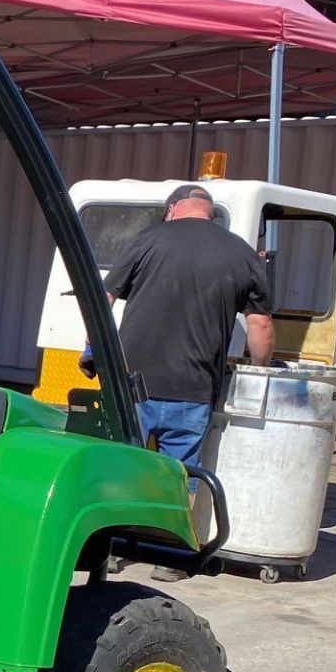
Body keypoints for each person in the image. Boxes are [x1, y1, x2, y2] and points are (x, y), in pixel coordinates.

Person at [104, 184, 274, 574]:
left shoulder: (148, 239)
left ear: (172, 210)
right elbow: (260, 324)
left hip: (133, 382)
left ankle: (113, 548)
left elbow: (105, 297)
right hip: (193, 384)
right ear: (209, 213)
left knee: (125, 463)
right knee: (181, 472)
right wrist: (259, 368)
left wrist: (94, 350)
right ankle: (170, 557)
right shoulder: (239, 252)